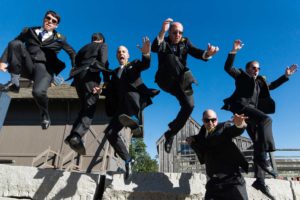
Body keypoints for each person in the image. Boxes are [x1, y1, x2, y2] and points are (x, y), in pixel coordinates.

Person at [222, 39, 297, 199]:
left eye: (258, 69)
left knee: (257, 142)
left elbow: (271, 86)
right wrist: (233, 51)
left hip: (253, 113)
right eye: (253, 68)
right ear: (248, 69)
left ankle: (260, 181)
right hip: (242, 108)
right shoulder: (241, 76)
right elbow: (228, 68)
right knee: (266, 120)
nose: (256, 71)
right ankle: (263, 159)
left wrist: (285, 76)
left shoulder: (260, 83)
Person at [151, 18, 219, 153]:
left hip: (180, 83)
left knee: (189, 106)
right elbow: (154, 48)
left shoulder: (185, 42)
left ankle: (170, 133)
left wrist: (207, 54)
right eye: (174, 32)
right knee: (171, 58)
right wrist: (161, 32)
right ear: (169, 32)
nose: (178, 35)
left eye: (180, 33)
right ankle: (184, 77)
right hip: (166, 80)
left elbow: (197, 52)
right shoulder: (163, 42)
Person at [0, 10, 76, 130]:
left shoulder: (60, 38)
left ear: (56, 25)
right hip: (27, 64)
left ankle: (44, 114)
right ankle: (15, 83)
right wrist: (2, 61)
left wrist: (74, 67)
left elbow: (72, 53)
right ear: (44, 19)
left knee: (38, 92)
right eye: (48, 18)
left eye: (53, 21)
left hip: (44, 69)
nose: (50, 22)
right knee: (16, 44)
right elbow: (13, 44)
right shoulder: (29, 31)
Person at [102, 37, 158, 179]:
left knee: (129, 93)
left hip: (134, 101)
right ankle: (128, 159)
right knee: (110, 133)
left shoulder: (134, 65)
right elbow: (110, 90)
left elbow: (145, 64)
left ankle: (134, 120)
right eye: (119, 52)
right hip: (121, 110)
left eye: (124, 51)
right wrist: (99, 89)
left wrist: (146, 54)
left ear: (128, 55)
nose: (121, 53)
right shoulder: (114, 73)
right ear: (117, 56)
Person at [186, 109, 249, 200]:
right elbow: (198, 138)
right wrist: (191, 138)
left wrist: (240, 125)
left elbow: (234, 130)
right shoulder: (202, 135)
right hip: (213, 184)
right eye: (207, 120)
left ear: (217, 120)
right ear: (203, 121)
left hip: (232, 182)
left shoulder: (223, 128)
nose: (210, 123)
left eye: (213, 120)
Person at [64, 33, 109, 155]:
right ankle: (77, 136)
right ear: (101, 40)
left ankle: (73, 135)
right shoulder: (103, 45)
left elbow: (75, 60)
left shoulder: (83, 48)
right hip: (90, 77)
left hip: (78, 78)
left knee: (84, 107)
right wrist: (106, 81)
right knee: (90, 108)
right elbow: (103, 62)